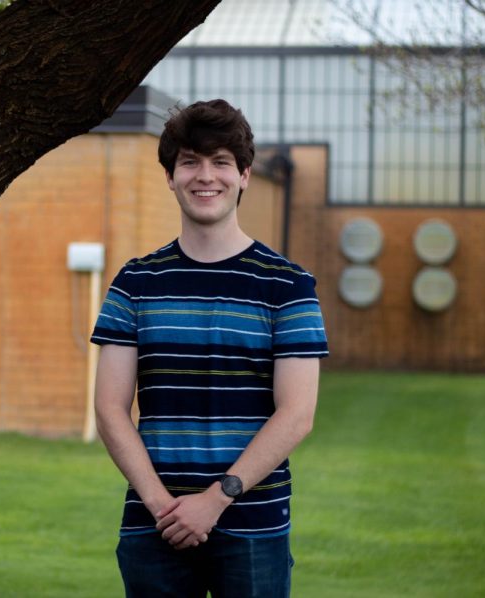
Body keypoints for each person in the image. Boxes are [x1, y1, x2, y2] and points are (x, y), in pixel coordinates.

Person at [91, 99, 329, 597]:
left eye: (221, 161)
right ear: (170, 176)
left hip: (252, 524)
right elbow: (110, 409)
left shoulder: (288, 285)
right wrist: (163, 506)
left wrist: (215, 500)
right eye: (190, 162)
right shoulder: (135, 283)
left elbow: (297, 414)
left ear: (244, 175)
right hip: (153, 524)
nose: (206, 176)